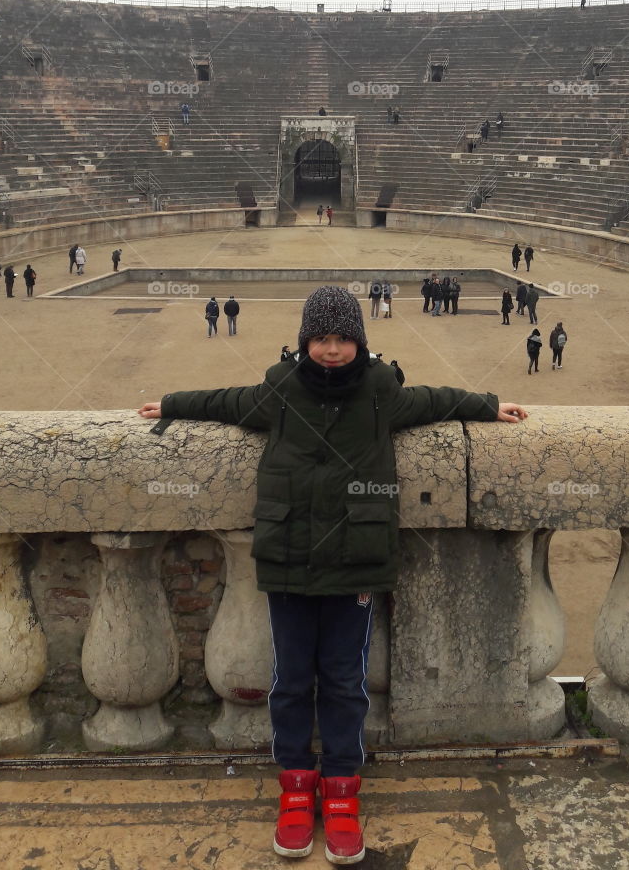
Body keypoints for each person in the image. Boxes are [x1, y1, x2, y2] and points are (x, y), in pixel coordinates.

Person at [137, 286, 528, 864]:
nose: (331, 349)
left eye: (343, 338)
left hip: (355, 563)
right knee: (292, 680)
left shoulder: (381, 392)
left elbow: (433, 401)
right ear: (304, 342)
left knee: (345, 684)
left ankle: (342, 792)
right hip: (290, 560)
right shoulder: (280, 390)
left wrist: (487, 404)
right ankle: (296, 789)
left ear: (360, 343)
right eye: (321, 338)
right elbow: (227, 402)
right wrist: (172, 404)